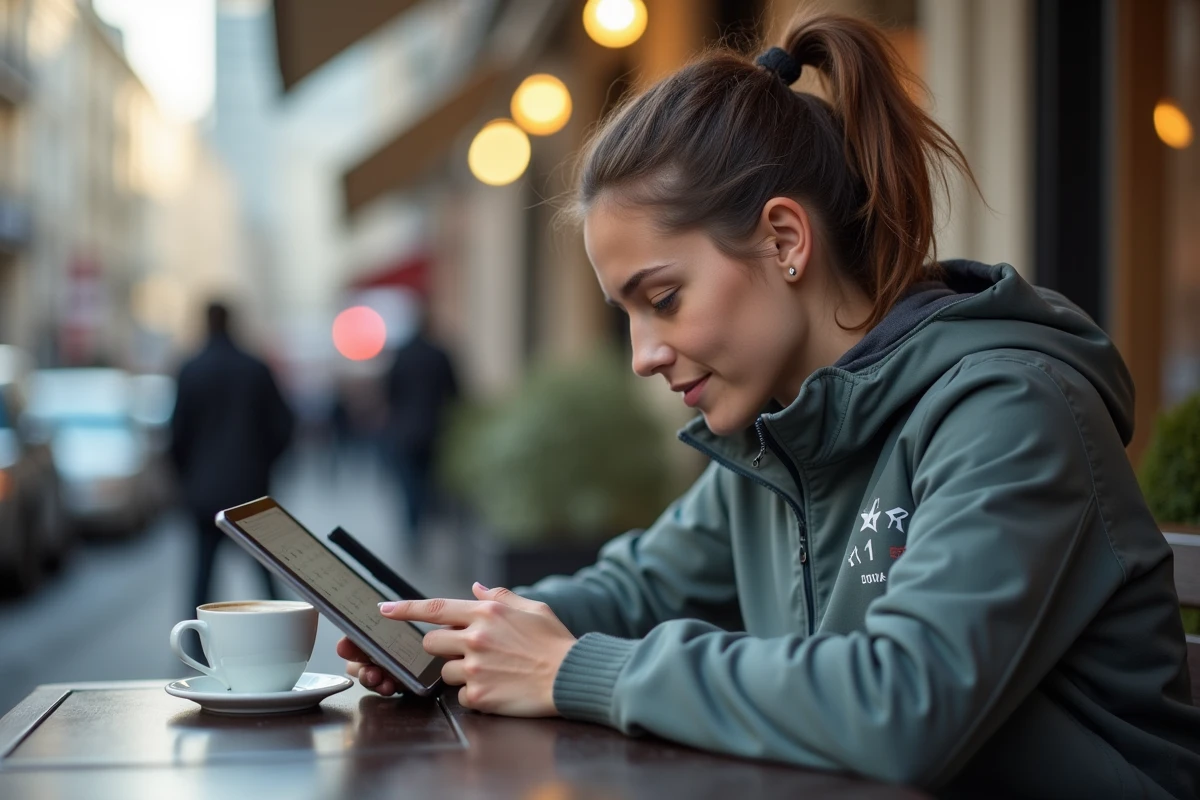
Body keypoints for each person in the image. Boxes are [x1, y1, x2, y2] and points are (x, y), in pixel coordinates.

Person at [337, 10, 1200, 796]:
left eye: (663, 298)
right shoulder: (782, 434)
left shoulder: (1010, 412)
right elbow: (636, 587)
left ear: (784, 239)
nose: (641, 356)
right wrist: (464, 639)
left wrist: (574, 672)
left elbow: (906, 704)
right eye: (627, 315)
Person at [170, 301, 294, 615]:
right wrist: (263, 464)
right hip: (250, 491)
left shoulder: (191, 369)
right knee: (265, 575)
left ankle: (196, 650)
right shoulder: (255, 369)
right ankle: (281, 643)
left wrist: (186, 478)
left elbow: (177, 436)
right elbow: (284, 427)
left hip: (204, 492)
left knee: (202, 578)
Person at [380, 298, 459, 554]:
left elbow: (389, 392)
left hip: (404, 431)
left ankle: (413, 529)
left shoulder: (401, 355)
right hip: (434, 430)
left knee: (408, 483)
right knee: (427, 482)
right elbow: (456, 392)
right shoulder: (440, 354)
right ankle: (422, 525)